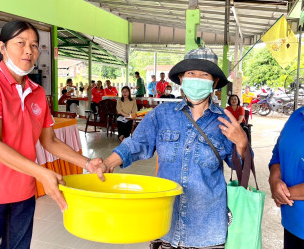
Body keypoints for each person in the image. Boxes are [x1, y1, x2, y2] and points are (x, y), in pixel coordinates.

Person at [0, 20, 104, 249]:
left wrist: (88, 163)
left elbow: (50, 140)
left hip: (23, 192)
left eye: (35, 45)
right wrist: (43, 173)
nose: (29, 50)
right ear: (2, 47)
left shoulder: (37, 92)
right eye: (21, 43)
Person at [98, 47, 249, 249]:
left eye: (204, 74)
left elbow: (242, 170)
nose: (197, 78)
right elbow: (137, 144)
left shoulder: (225, 120)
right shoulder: (161, 114)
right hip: (165, 223)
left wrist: (242, 143)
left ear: (214, 83)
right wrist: (108, 163)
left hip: (207, 229)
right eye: (191, 73)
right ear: (181, 78)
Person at [269, 107, 304, 249]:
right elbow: (278, 152)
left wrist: (283, 194)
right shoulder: (298, 115)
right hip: (292, 223)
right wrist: (274, 178)